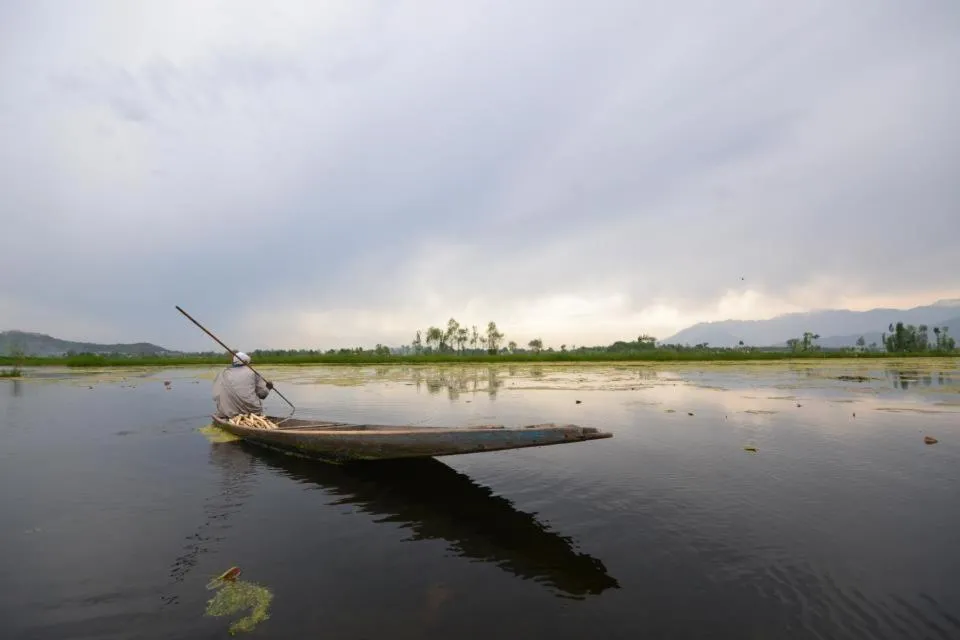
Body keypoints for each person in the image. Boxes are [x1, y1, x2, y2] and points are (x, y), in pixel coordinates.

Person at [212, 351, 274, 419]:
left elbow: (217, 395)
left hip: (228, 413)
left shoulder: (223, 373)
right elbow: (262, 395)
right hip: (252, 412)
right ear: (246, 362)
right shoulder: (253, 372)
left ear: (234, 362)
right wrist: (268, 388)